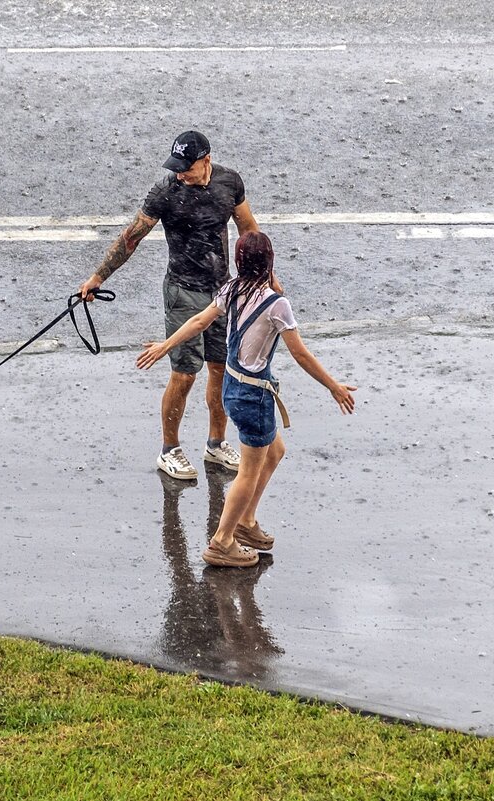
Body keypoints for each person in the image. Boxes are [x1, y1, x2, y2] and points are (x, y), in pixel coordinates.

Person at [137, 231, 357, 568]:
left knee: (276, 449)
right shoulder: (276, 305)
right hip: (254, 395)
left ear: (238, 263)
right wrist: (333, 386)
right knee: (248, 474)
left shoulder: (231, 290)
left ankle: (247, 521)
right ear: (270, 263)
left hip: (231, 387)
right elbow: (300, 354)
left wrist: (165, 345)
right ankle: (222, 541)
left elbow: (198, 321)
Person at [79, 131, 279, 481]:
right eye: (176, 167)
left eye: (186, 168)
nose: (180, 174)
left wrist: (268, 278)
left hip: (222, 292)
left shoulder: (229, 182)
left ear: (206, 160)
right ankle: (169, 450)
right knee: (185, 375)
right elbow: (132, 237)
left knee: (220, 370)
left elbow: (248, 229)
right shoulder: (165, 192)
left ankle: (216, 444)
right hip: (182, 291)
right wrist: (98, 277)